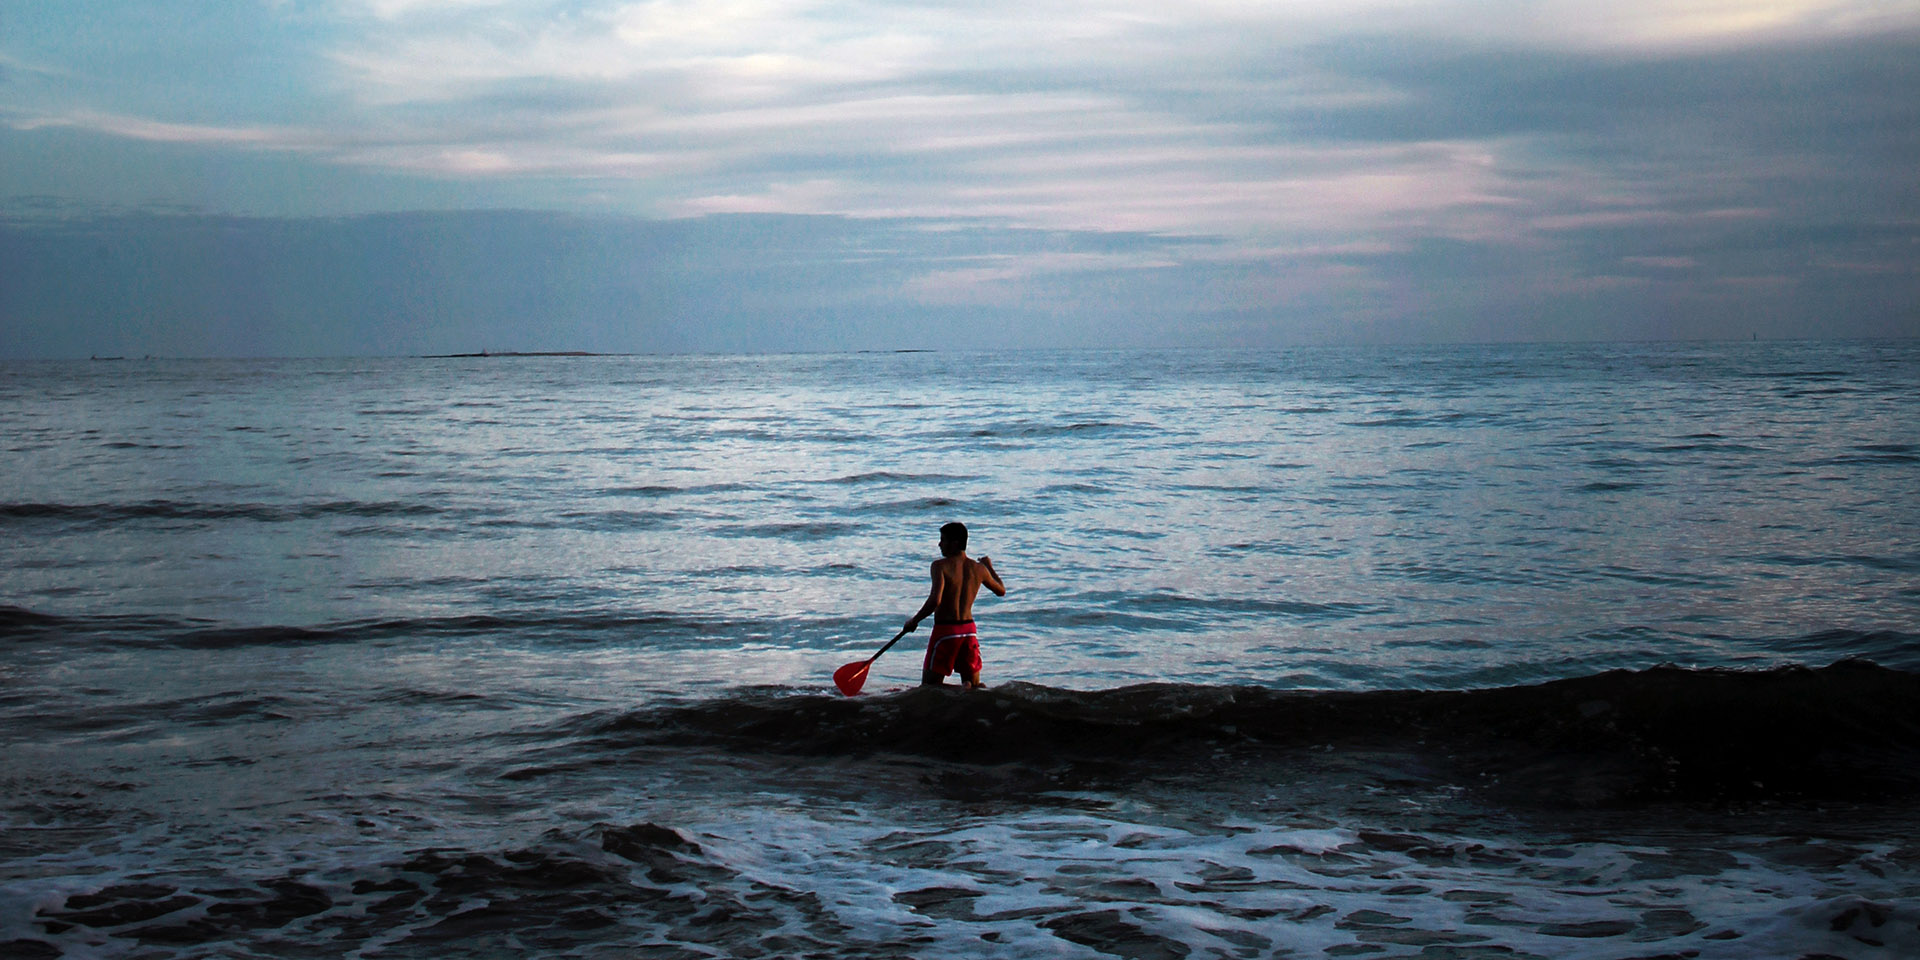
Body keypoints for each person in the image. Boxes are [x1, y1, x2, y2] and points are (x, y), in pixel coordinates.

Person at [903, 521, 1006, 688]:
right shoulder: (979, 569)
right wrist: (989, 567)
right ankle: (965, 688)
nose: (939, 544)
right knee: (974, 687)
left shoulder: (940, 566)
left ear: (955, 543)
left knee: (928, 688)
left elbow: (935, 600)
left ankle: (960, 689)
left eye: (943, 540)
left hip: (946, 632)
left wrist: (914, 620)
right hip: (969, 632)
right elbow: (1001, 590)